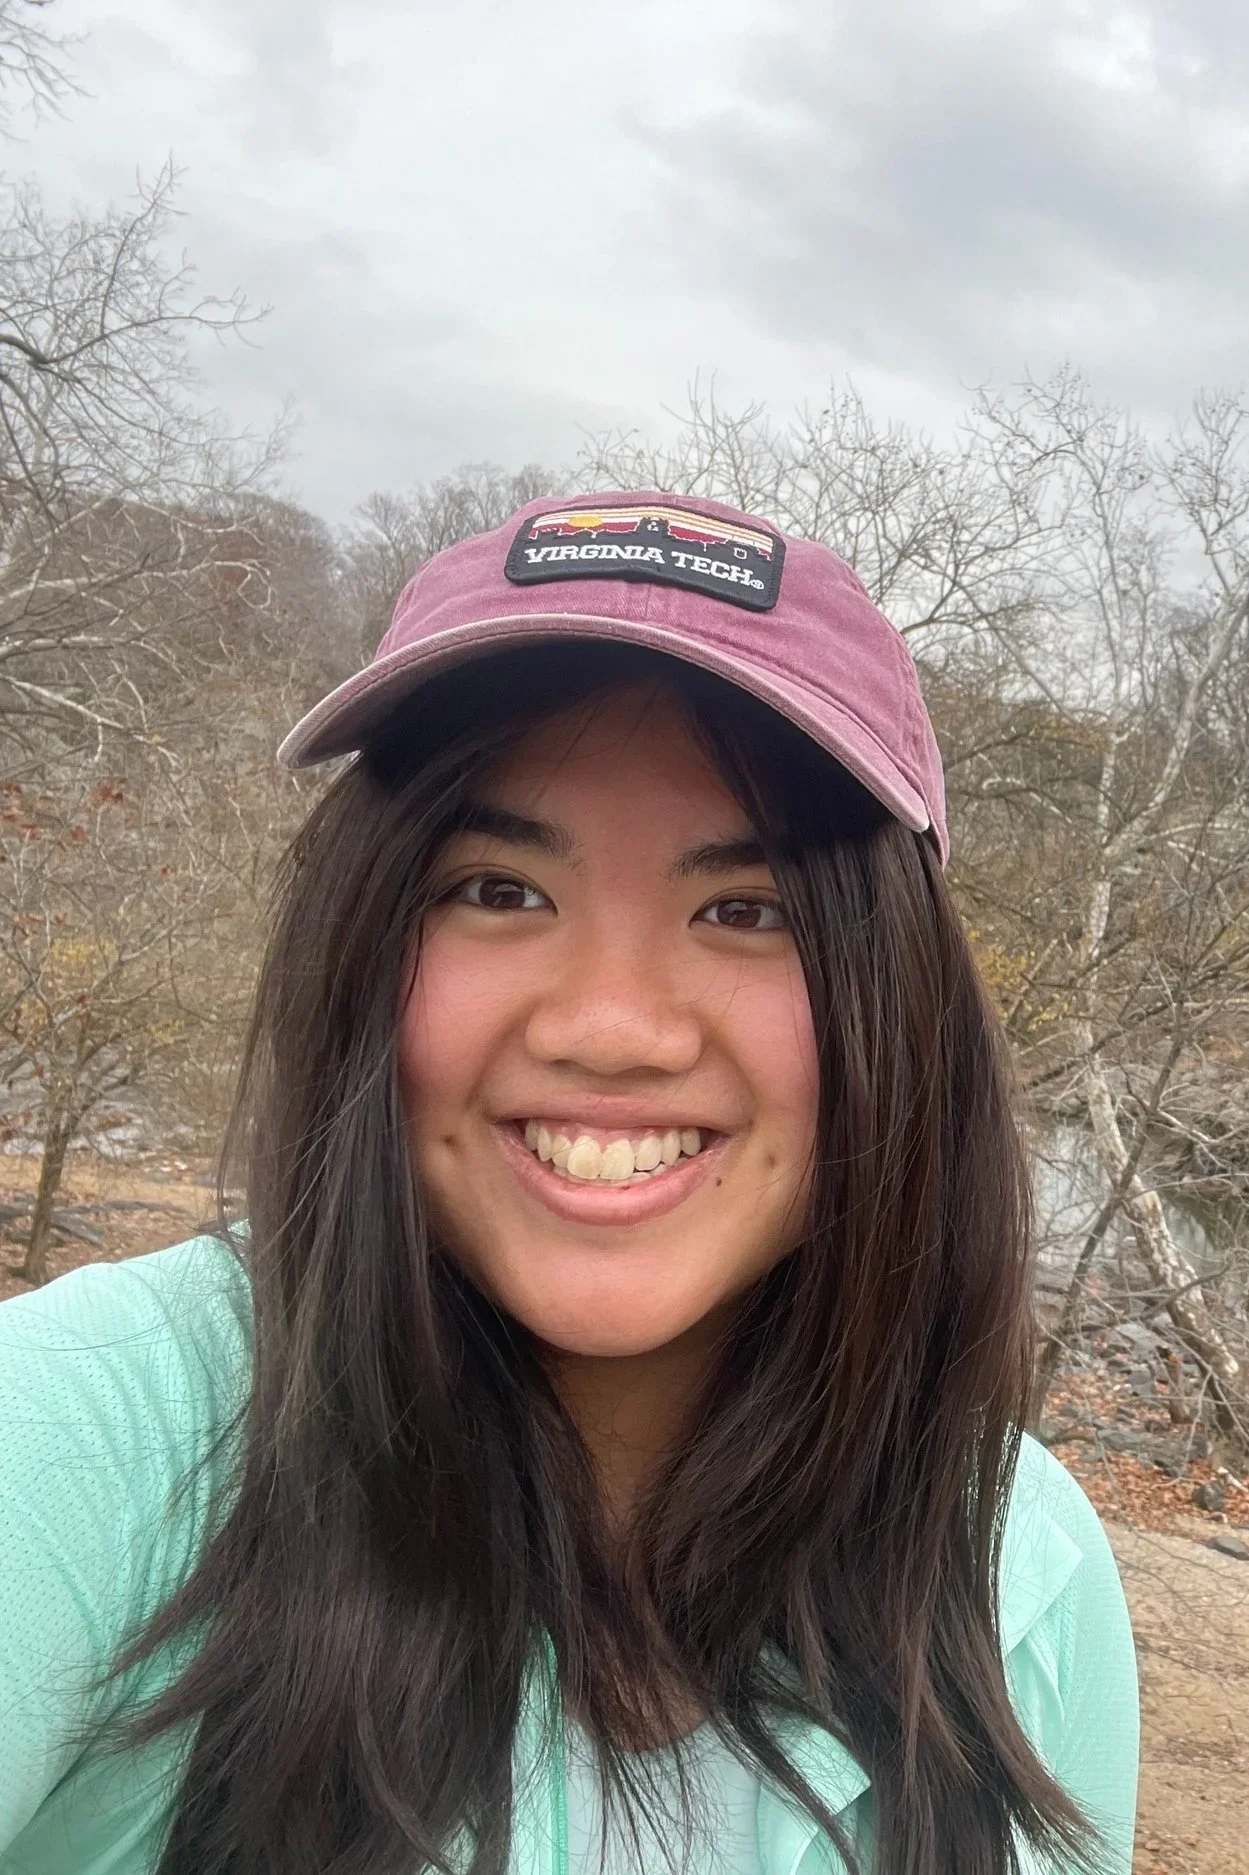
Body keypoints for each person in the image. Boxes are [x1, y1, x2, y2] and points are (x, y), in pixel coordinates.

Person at [0, 493, 1138, 1875]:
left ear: (897, 1009)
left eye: (749, 907)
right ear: (364, 945)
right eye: (497, 888)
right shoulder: (91, 1444)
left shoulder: (1021, 1575)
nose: (610, 1025)